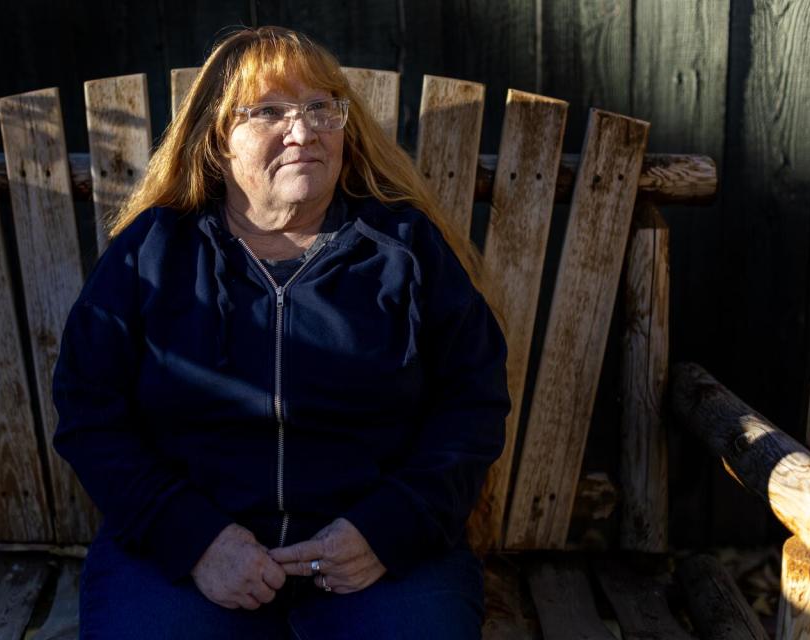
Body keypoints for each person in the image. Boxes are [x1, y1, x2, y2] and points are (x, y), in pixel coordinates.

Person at [52, 25, 510, 639]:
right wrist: (194, 540)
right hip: (185, 558)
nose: (304, 131)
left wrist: (386, 530)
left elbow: (471, 403)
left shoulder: (405, 251)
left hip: (379, 559)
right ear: (217, 142)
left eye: (320, 108)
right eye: (269, 112)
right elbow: (89, 409)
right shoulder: (152, 254)